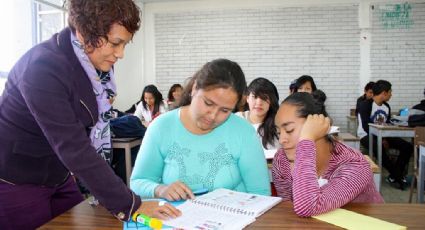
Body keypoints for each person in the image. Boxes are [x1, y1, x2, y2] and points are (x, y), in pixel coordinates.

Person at [0, 1, 180, 228]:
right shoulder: (42, 67)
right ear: (86, 32)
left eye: (124, 44)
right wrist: (131, 204)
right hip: (18, 179)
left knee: (90, 221)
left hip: (58, 174)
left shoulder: (91, 64)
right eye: (116, 43)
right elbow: (74, 146)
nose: (121, 54)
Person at [130, 59, 271, 201]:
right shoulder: (161, 127)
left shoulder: (243, 132)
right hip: (176, 219)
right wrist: (160, 190)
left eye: (225, 110)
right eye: (208, 103)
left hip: (232, 219)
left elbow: (260, 192)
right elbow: (138, 182)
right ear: (194, 88)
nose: (213, 115)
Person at [272, 92, 383, 217]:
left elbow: (307, 207)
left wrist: (307, 140)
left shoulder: (354, 165)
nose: (281, 140)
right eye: (278, 132)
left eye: (289, 130)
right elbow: (290, 210)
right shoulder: (282, 161)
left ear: (318, 127)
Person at [357, 80, 413, 190]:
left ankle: (394, 176)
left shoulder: (386, 106)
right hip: (365, 135)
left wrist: (384, 138)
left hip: (383, 135)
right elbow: (365, 127)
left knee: (407, 146)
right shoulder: (365, 105)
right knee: (379, 146)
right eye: (390, 92)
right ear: (384, 93)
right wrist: (381, 139)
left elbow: (386, 124)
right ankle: (398, 176)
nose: (391, 95)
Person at [236, 77, 280, 159]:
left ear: (271, 101)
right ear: (247, 98)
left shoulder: (277, 125)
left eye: (264, 98)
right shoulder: (236, 120)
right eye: (255, 97)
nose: (259, 102)